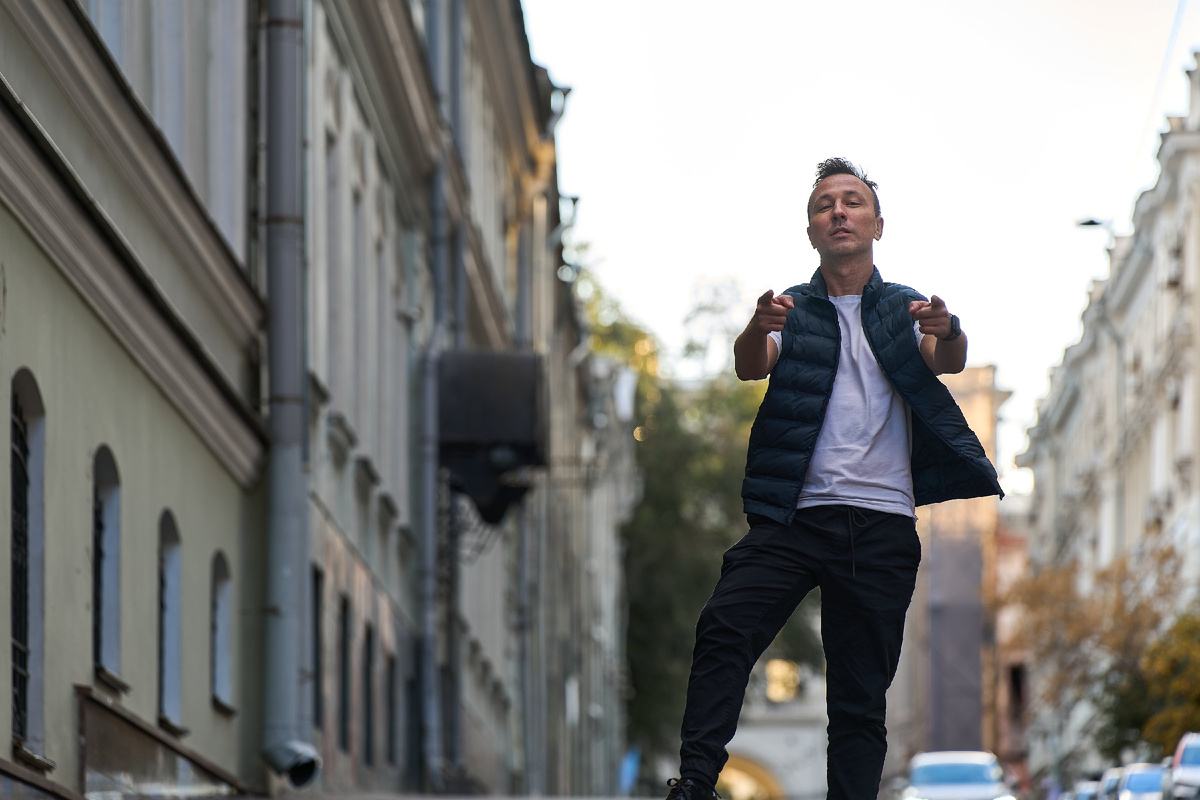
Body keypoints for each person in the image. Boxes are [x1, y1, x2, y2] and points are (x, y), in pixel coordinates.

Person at [664, 158, 1003, 800]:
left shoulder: (904, 307)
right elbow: (751, 366)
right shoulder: (792, 308)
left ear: (877, 224)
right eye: (825, 205)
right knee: (725, 626)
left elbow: (945, 360)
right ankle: (696, 782)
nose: (839, 211)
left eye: (852, 201)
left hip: (881, 525)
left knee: (858, 699)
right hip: (794, 517)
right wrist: (756, 327)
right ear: (812, 230)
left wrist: (949, 329)